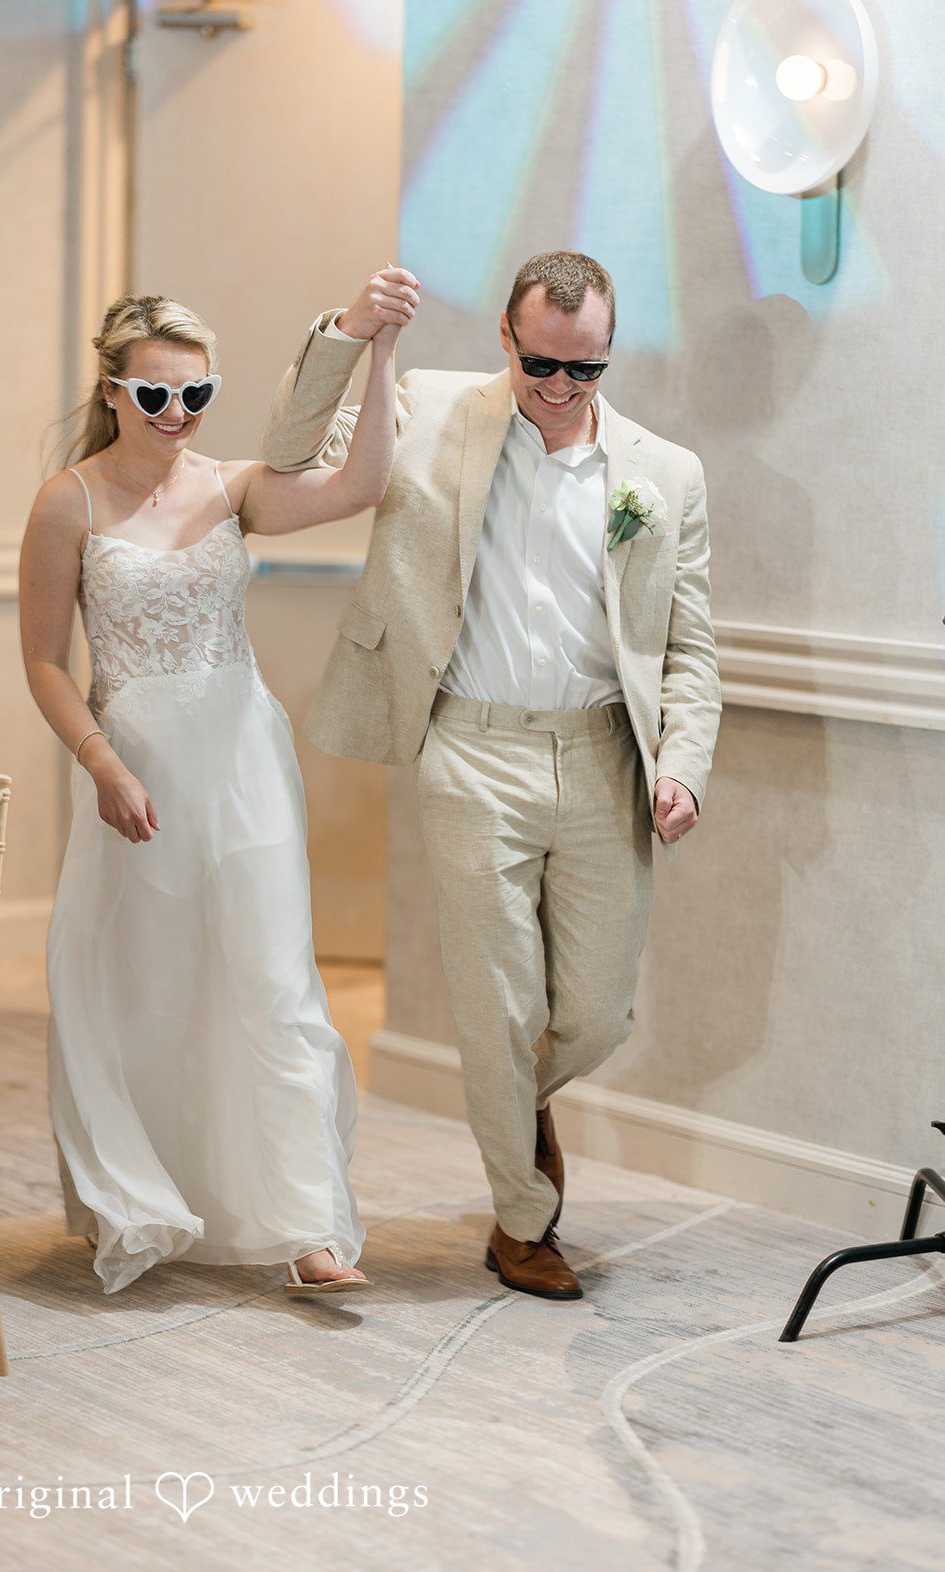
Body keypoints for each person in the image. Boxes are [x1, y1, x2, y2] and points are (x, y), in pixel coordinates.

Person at [261, 252, 722, 1301]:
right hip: (469, 749)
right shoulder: (425, 408)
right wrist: (349, 331)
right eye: (539, 365)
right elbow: (289, 451)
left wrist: (684, 768)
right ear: (504, 339)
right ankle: (522, 1219)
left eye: (584, 369)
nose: (559, 388)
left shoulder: (665, 473)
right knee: (498, 1006)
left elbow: (689, 648)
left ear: (609, 354)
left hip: (605, 755)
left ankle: (515, 1096)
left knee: (597, 1015)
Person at [19, 287, 411, 1295]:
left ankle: (306, 1227)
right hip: (137, 776)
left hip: (244, 765)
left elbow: (364, 482)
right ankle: (146, 1200)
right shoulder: (68, 502)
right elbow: (45, 662)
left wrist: (378, 349)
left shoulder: (232, 488)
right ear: (113, 391)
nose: (177, 412)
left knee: (275, 984)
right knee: (149, 992)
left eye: (197, 392)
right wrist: (101, 762)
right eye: (156, 393)